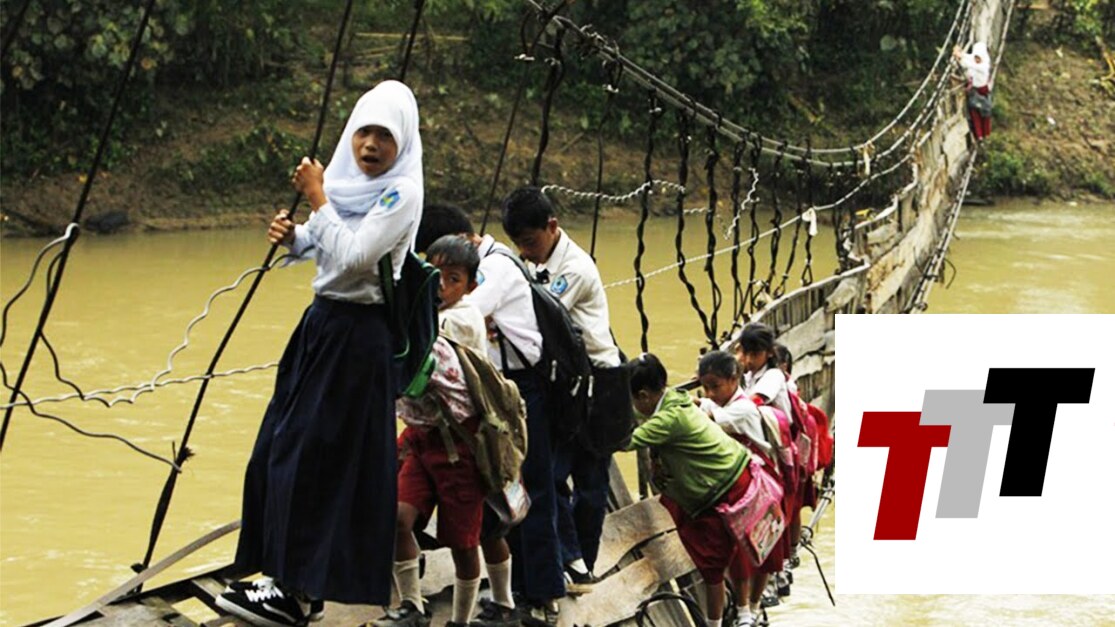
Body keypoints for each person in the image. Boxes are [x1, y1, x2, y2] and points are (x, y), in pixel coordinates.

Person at [217, 80, 423, 627]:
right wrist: (294, 236)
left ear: (403, 141)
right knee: (277, 448)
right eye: (363, 133)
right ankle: (283, 576)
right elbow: (323, 243)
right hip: (321, 326)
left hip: (358, 338)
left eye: (384, 136)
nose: (370, 145)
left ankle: (298, 593)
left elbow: (355, 256)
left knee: (316, 459)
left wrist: (315, 196)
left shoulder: (401, 194)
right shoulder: (346, 186)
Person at [415, 204, 561, 626]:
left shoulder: (492, 270)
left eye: (449, 275)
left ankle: (541, 596)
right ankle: (515, 592)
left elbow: (453, 319)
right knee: (505, 497)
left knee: (522, 491)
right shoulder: (483, 264)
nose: (440, 284)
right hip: (490, 388)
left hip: (515, 389)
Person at [375, 234, 514, 627]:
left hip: (461, 446)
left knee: (465, 541)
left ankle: (462, 620)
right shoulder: (430, 313)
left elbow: (411, 362)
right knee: (398, 518)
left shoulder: (458, 321)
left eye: (453, 279)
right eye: (434, 276)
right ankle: (412, 607)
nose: (441, 287)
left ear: (471, 286)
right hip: (423, 437)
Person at [500, 186, 622, 592]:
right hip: (566, 383)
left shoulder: (575, 269)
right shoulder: (529, 258)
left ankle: (582, 563)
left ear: (552, 226)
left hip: (598, 384)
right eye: (518, 244)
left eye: (530, 242)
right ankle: (570, 560)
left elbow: (537, 318)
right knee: (549, 475)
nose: (525, 251)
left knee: (591, 486)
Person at [625, 353, 753, 627]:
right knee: (729, 554)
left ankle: (714, 624)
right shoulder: (674, 398)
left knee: (711, 566)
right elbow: (637, 415)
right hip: (732, 475)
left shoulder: (669, 419)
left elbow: (623, 442)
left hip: (721, 489)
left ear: (644, 395)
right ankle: (739, 612)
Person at [697, 351, 785, 627]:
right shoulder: (718, 403)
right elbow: (707, 408)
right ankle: (744, 607)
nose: (710, 394)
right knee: (739, 549)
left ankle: (751, 608)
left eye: (715, 386)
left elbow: (708, 419)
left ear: (734, 380)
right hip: (738, 483)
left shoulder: (742, 409)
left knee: (761, 546)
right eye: (705, 387)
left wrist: (693, 404)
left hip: (758, 483)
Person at [953, 42, 992, 141]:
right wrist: (960, 55)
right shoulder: (975, 60)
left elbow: (971, 65)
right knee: (975, 113)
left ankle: (986, 134)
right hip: (974, 90)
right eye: (975, 57)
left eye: (978, 58)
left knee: (985, 112)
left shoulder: (984, 66)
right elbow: (969, 59)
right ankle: (979, 136)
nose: (976, 59)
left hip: (983, 90)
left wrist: (959, 55)